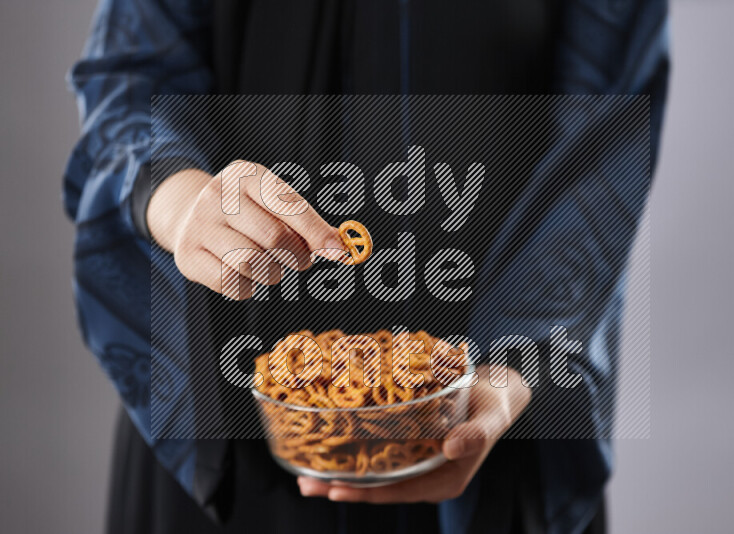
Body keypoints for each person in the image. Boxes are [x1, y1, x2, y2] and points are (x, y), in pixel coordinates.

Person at [64, 1, 669, 533]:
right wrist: (179, 200)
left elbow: (606, 129)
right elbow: (128, 70)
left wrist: (515, 361)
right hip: (220, 424)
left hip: (488, 427)